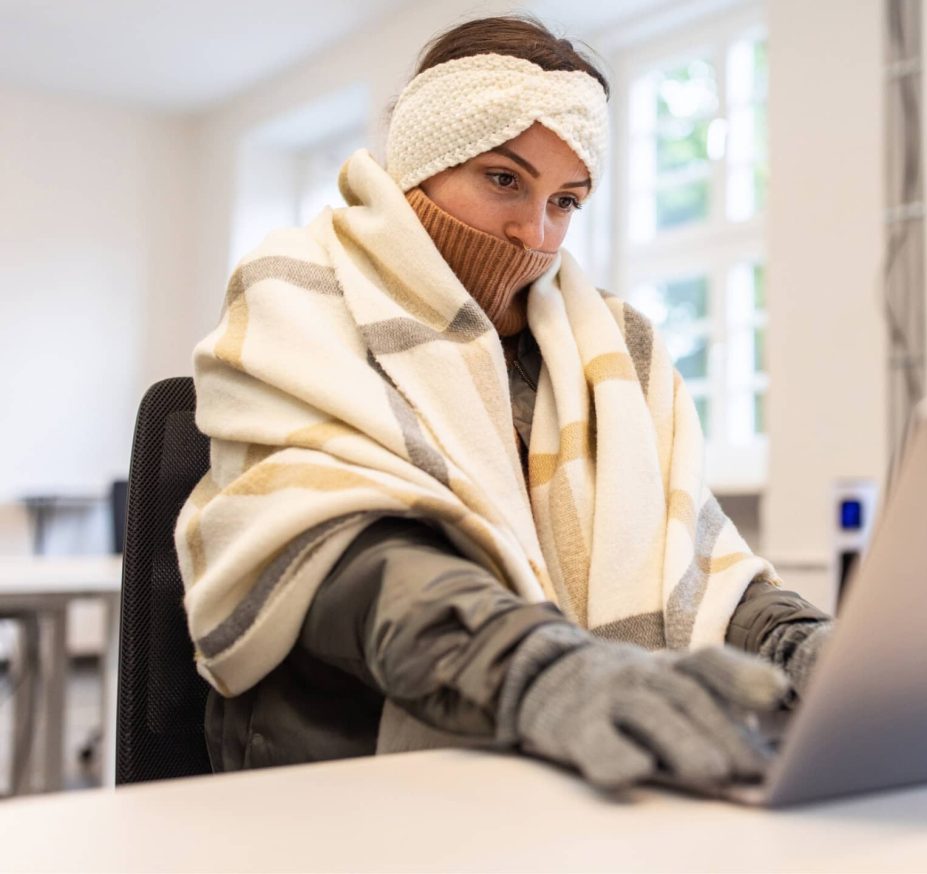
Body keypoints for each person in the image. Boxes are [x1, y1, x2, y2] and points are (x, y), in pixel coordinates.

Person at [178, 15, 833, 793]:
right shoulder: (299, 288)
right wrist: (539, 669)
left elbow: (694, 562)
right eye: (503, 180)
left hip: (578, 766)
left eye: (566, 201)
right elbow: (355, 557)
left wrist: (804, 644)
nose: (535, 232)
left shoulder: (616, 348)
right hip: (350, 778)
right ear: (423, 165)